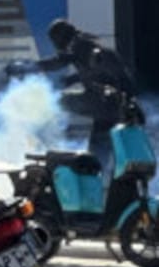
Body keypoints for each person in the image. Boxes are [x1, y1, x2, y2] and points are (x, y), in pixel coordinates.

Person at [10, 19, 140, 166]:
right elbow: (95, 71)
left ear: (60, 37)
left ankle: (47, 140)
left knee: (54, 101)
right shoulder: (86, 43)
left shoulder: (78, 45)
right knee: (98, 149)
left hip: (104, 102)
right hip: (110, 106)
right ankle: (99, 172)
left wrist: (26, 68)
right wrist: (71, 80)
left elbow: (57, 63)